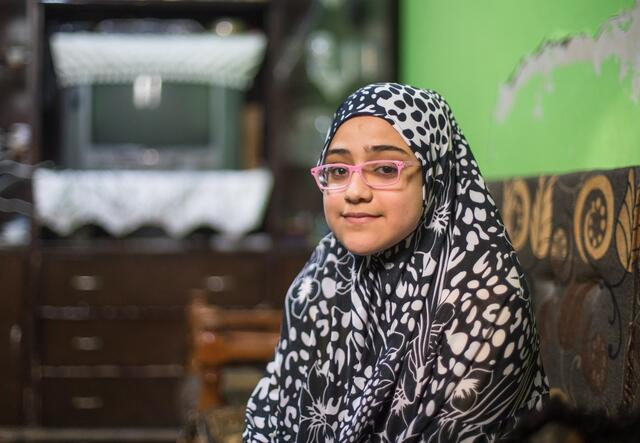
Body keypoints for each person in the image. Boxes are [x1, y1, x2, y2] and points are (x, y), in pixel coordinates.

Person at [244, 83, 548, 442]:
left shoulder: (488, 302)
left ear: (433, 175)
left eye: (385, 169)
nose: (355, 191)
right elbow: (273, 407)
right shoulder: (323, 272)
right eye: (338, 171)